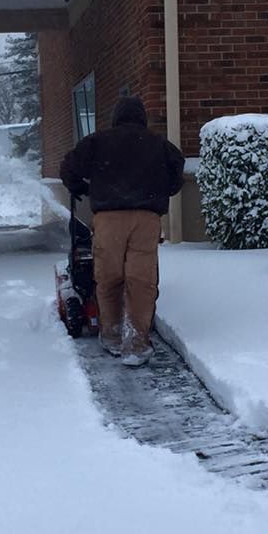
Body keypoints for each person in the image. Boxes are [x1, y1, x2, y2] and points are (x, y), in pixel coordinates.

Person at [60, 95, 185, 366]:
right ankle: (136, 345)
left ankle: (112, 335)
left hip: (108, 217)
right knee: (141, 282)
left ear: (116, 117)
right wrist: (158, 190)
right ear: (142, 117)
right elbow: (176, 177)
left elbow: (69, 167)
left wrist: (81, 187)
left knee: (109, 278)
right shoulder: (159, 144)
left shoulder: (98, 141)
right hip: (146, 218)